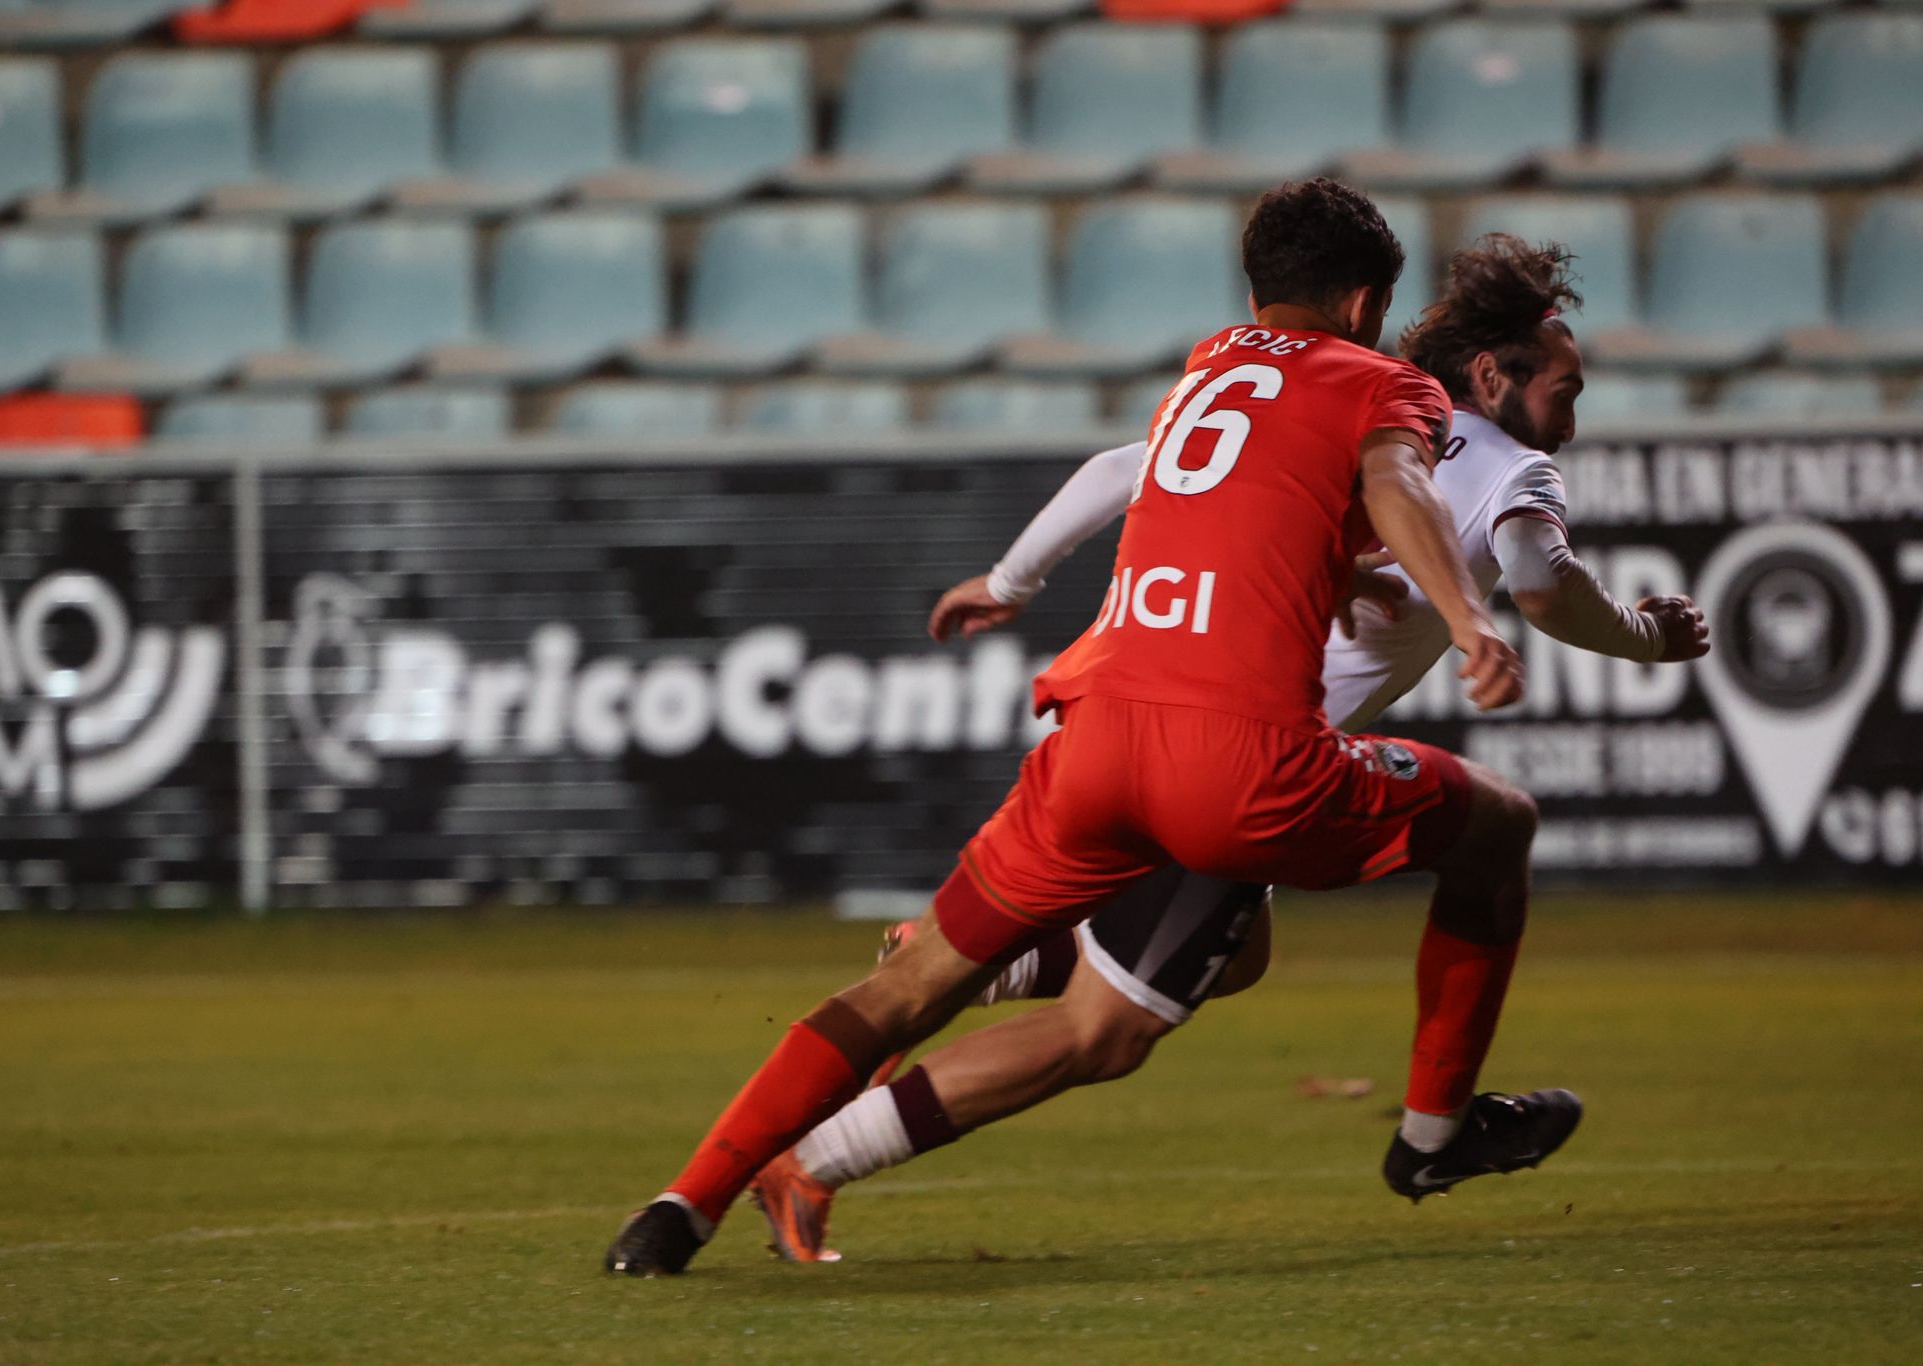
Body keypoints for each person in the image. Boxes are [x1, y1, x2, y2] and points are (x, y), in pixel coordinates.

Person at [609, 178, 1531, 1277]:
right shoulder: (1383, 383)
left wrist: (1021, 578)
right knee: (1495, 824)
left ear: (1254, 290)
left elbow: (1208, 508)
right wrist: (1468, 617)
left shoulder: (1205, 371)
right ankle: (1432, 1132)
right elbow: (1396, 485)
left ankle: (678, 1207)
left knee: (917, 988)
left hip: (1091, 741)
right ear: (1367, 302)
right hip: (1239, 764)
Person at [748, 233, 1712, 1262]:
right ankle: (816, 1157)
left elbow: (1118, 469)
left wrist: (1011, 579)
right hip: (1242, 756)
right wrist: (1648, 636)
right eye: (1566, 391)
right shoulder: (1512, 468)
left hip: (1132, 714)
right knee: (1103, 1031)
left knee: (1236, 954)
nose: (1571, 419)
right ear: (1490, 375)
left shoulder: (1334, 408)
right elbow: (1540, 582)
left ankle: (977, 966)